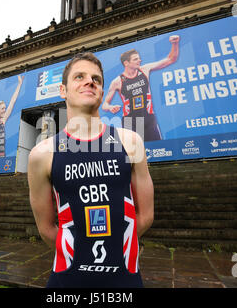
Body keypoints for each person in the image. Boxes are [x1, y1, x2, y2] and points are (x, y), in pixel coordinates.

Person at [28, 52, 154, 288]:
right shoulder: (41, 154)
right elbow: (45, 228)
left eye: (96, 78)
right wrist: (81, 255)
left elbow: (146, 215)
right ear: (63, 91)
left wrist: (117, 247)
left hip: (123, 280)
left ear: (102, 92)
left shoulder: (131, 142)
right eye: (79, 77)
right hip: (67, 281)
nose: (90, 81)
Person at [102, 35, 180, 141]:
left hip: (148, 118)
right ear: (126, 63)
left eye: (139, 58)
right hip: (130, 122)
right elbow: (104, 105)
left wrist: (174, 44)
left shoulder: (145, 70)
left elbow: (171, 59)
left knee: (158, 149)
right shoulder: (117, 82)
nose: (140, 60)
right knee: (133, 154)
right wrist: (110, 107)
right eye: (135, 59)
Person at [0, 75, 24, 158]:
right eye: (2, 109)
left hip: (2, 158)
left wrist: (19, 84)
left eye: (5, 108)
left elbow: (12, 101)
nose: (4, 111)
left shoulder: (3, 121)